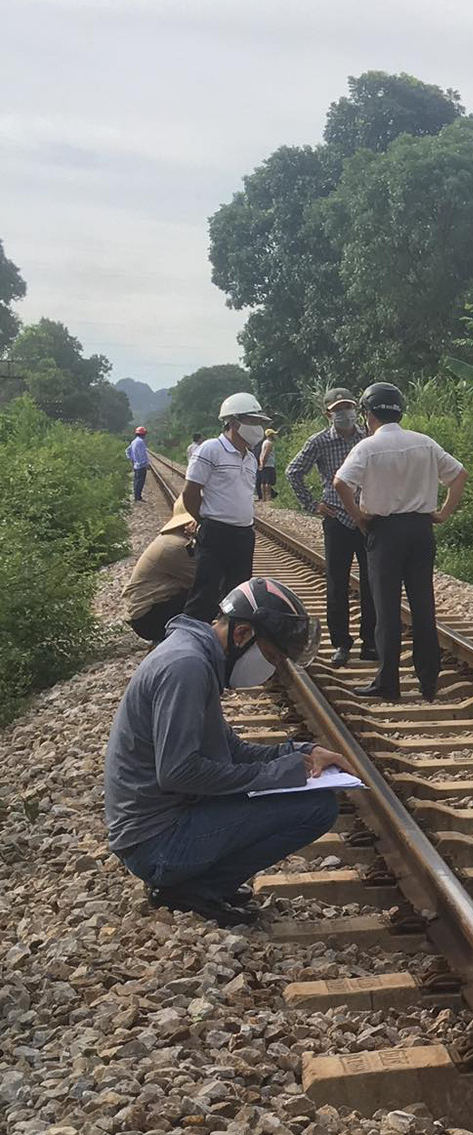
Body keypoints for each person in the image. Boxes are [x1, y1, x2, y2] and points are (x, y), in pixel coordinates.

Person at [104, 575, 352, 926]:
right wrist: (281, 774)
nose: (273, 668)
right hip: (156, 845)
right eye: (271, 655)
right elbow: (178, 772)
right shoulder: (185, 667)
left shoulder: (194, 656)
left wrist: (303, 751)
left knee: (307, 799)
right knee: (316, 808)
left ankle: (197, 883)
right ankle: (194, 889)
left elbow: (230, 749)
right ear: (242, 635)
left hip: (158, 829)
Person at [335, 383, 466, 699]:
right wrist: (443, 513)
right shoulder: (424, 443)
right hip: (421, 532)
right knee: (423, 606)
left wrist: (358, 517)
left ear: (368, 415)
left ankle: (388, 683)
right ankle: (428, 682)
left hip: (385, 532)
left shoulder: (367, 447)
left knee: (387, 609)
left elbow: (341, 482)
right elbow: (459, 474)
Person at [286, 387, 376, 668]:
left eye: (348, 407)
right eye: (338, 410)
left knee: (371, 583)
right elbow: (293, 471)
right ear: (328, 413)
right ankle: (341, 644)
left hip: (367, 518)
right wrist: (313, 504)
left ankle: (370, 642)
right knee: (337, 584)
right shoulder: (320, 441)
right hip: (337, 520)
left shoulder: (370, 438)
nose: (344, 414)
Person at [181, 392, 268, 621]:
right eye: (253, 421)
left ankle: (226, 646)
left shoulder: (250, 458)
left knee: (237, 597)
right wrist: (203, 521)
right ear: (234, 422)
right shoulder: (211, 450)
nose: (258, 427)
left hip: (244, 535)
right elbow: (190, 492)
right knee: (205, 594)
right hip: (215, 532)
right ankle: (190, 642)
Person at [123, 505, 200, 642]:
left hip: (145, 615)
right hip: (149, 619)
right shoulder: (177, 545)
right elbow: (204, 578)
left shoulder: (171, 539)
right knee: (205, 594)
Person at [127, 425, 151, 503]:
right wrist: (146, 463)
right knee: (140, 481)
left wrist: (132, 460)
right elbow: (142, 454)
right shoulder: (140, 442)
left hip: (136, 465)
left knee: (136, 481)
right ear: (142, 434)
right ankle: (138, 497)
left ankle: (136, 496)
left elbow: (127, 451)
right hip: (141, 465)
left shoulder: (133, 442)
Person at [256, 426, 280, 502]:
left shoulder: (264, 443)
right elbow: (266, 454)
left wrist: (261, 463)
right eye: (273, 434)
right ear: (270, 435)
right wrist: (263, 463)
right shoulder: (269, 443)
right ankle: (268, 498)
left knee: (263, 481)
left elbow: (261, 454)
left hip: (265, 464)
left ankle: (264, 498)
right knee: (268, 482)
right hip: (268, 465)